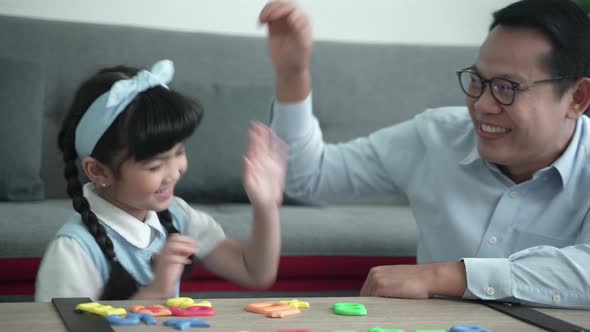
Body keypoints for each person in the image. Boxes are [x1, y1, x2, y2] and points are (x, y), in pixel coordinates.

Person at [259, 0, 590, 308]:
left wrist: (447, 276)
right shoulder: (436, 137)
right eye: (477, 81)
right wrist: (293, 74)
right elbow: (309, 176)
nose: (482, 105)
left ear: (577, 98)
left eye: (507, 88)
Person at [35, 59, 287, 301]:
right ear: (99, 171)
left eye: (179, 152)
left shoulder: (178, 216)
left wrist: (265, 207)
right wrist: (155, 292)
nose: (174, 172)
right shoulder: (75, 250)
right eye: (155, 165)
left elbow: (254, 272)